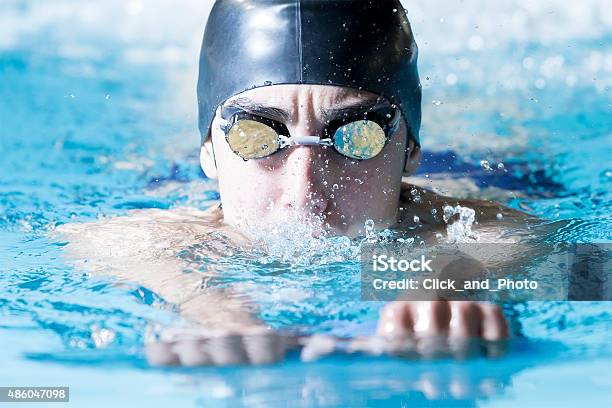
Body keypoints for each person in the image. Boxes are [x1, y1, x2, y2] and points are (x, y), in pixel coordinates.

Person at [58, 0, 534, 365]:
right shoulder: (177, 232)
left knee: (500, 140)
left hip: (468, 169)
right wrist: (213, 308)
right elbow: (97, 242)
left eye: (358, 137)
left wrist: (450, 282)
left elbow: (585, 264)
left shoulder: (449, 225)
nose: (302, 192)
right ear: (209, 152)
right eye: (257, 136)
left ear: (410, 151)